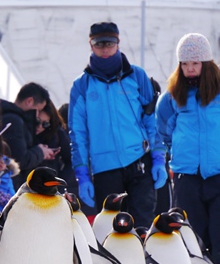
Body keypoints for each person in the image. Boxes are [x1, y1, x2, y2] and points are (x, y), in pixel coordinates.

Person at [156, 33, 220, 264]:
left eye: (195, 63)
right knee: (192, 242)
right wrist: (183, 154)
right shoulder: (172, 96)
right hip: (187, 177)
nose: (190, 68)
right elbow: (164, 132)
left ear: (207, 63)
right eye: (184, 63)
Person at [68, 22, 164, 228]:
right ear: (90, 45)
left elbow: (151, 119)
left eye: (109, 43)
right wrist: (83, 175)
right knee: (112, 231)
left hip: (139, 161)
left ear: (118, 43)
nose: (104, 49)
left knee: (142, 227)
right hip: (105, 169)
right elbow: (78, 134)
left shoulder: (137, 76)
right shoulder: (81, 86)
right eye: (98, 43)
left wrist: (158, 158)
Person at [0, 82, 51, 188]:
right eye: (38, 109)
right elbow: (19, 159)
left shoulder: (10, 116)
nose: (38, 115)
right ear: (29, 101)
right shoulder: (14, 121)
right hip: (7, 185)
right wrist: (40, 151)